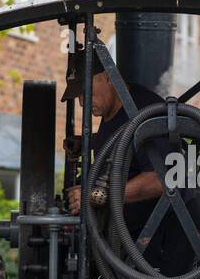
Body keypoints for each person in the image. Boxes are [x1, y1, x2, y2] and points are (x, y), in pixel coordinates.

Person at [61, 52, 171, 265]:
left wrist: (94, 196)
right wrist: (87, 143)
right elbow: (124, 145)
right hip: (116, 244)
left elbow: (161, 180)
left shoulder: (143, 112)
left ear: (109, 76)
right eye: (79, 97)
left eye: (87, 92)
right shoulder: (115, 109)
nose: (83, 104)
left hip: (145, 252)